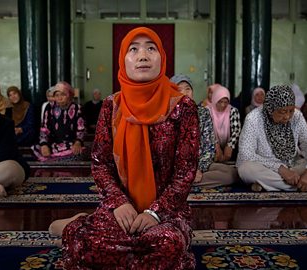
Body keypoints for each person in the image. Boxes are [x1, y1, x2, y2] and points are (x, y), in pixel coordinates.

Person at [48, 27, 200, 269]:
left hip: (166, 210)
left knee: (166, 245)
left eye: (151, 48)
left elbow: (185, 171)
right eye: (133, 49)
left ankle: (80, 226)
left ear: (162, 57)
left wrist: (154, 213)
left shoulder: (184, 107)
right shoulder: (112, 105)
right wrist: (119, 203)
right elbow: (100, 164)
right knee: (91, 245)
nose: (142, 55)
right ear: (123, 59)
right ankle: (81, 226)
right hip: (121, 207)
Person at [236, 84, 307, 192]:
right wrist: (280, 169)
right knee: (245, 169)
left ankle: (270, 185)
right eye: (282, 112)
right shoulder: (253, 118)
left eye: (291, 111)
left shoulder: (297, 116)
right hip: (267, 167)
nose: (287, 116)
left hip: (294, 165)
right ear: (271, 108)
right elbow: (245, 153)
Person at [171, 74, 237, 188]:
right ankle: (186, 182)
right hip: (175, 168)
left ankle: (183, 184)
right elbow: (167, 152)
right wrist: (188, 171)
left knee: (232, 173)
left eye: (188, 89)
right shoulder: (167, 116)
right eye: (179, 89)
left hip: (201, 164)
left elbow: (209, 146)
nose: (185, 93)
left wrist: (198, 169)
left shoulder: (203, 113)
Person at [32, 81, 86, 161]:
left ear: (69, 95)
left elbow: (81, 129)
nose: (59, 98)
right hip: (52, 144)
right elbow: (44, 129)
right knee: (36, 149)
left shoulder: (77, 108)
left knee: (79, 152)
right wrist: (44, 144)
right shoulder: (49, 107)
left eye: (63, 95)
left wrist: (78, 142)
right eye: (57, 95)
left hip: (71, 144)